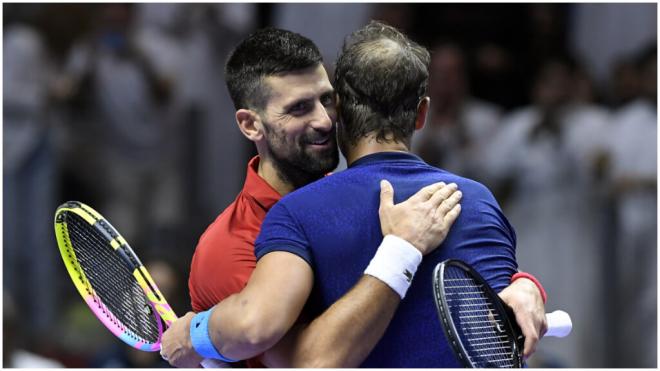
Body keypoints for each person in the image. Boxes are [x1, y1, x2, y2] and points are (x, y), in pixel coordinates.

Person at [161, 24, 546, 367]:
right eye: (298, 108)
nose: (324, 120)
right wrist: (400, 250)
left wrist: (525, 285)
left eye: (327, 100)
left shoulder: (322, 204)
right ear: (250, 124)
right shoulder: (228, 248)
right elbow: (288, 354)